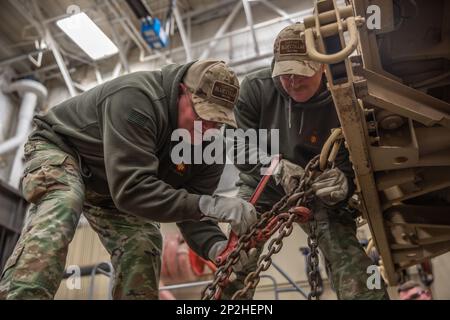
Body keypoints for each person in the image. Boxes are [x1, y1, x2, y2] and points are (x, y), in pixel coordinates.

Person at [0, 59, 257, 300]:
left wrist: (217, 247)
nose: (207, 131)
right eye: (202, 117)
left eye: (218, 123)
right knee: (63, 203)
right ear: (182, 92)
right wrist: (210, 204)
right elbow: (133, 189)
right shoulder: (137, 98)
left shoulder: (208, 149)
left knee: (144, 241)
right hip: (64, 151)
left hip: (113, 187)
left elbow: (192, 213)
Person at [220, 23, 389, 300]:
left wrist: (344, 181)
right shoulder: (254, 89)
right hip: (263, 186)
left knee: (346, 256)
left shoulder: (343, 97)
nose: (293, 82)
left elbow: (357, 153)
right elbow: (235, 142)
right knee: (238, 259)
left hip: (317, 189)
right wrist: (273, 166)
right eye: (285, 75)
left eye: (300, 74)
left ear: (322, 67)